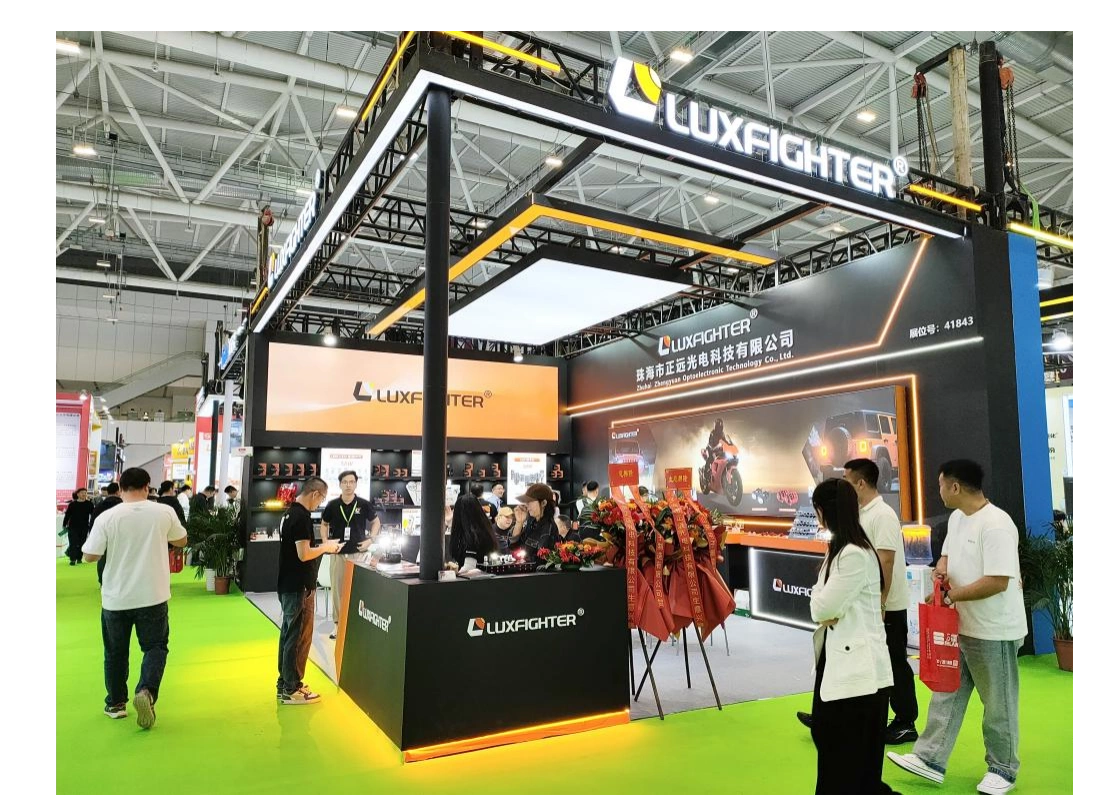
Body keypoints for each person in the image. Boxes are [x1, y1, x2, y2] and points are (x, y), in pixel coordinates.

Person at [888, 460, 1027, 796]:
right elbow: (947, 556)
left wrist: (953, 596)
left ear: (955, 487)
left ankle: (1003, 769)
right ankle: (930, 758)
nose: (938, 491)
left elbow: (997, 581)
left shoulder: (996, 525)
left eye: (940, 485)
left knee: (998, 704)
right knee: (946, 692)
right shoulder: (957, 518)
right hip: (961, 626)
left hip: (994, 630)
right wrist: (941, 571)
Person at [798, 459, 917, 744]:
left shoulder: (882, 515)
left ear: (861, 483)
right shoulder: (859, 516)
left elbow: (886, 561)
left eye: (848, 482)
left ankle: (905, 719)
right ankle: (831, 711)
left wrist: (880, 602)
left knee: (893, 662)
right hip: (862, 602)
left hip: (887, 605)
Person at [808, 478, 896, 800]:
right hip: (840, 664)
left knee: (847, 757)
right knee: (837, 748)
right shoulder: (842, 550)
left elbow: (821, 608)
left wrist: (824, 605)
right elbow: (821, 605)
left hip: (859, 673)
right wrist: (824, 604)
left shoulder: (854, 555)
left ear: (825, 511)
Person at [81, 468, 188, 729]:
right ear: (147, 486)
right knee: (155, 647)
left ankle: (116, 704)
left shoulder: (108, 517)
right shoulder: (163, 512)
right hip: (153, 594)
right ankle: (146, 691)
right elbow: (182, 540)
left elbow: (89, 556)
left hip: (116, 597)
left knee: (115, 652)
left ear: (120, 487)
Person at [276, 477, 341, 704]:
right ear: (315, 494)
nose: (320, 503)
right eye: (321, 499)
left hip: (288, 583)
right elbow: (303, 554)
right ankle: (292, 688)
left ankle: (285, 683)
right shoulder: (301, 517)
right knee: (298, 637)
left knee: (288, 635)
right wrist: (326, 547)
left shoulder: (289, 514)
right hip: (299, 586)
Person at [319, 470, 379, 639]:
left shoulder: (364, 504)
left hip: (359, 554)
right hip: (338, 554)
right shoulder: (332, 505)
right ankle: (338, 625)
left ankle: (358, 624)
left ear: (356, 484)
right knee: (337, 592)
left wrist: (371, 540)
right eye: (345, 482)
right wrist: (325, 541)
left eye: (351, 482)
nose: (348, 485)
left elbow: (376, 522)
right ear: (340, 484)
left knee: (360, 590)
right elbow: (324, 524)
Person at [449, 494, 500, 574]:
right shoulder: (484, 530)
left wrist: (453, 573)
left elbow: (469, 567)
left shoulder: (472, 537)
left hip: (473, 579)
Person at [510, 483, 559, 558]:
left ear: (543, 503)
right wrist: (519, 523)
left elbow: (541, 559)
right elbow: (513, 546)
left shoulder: (548, 528)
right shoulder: (532, 522)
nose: (527, 505)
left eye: (530, 501)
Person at [91, 482, 124, 585]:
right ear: (119, 492)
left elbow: (93, 521)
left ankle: (102, 581)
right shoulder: (123, 505)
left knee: (102, 559)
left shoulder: (100, 505)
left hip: (103, 536)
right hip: (121, 537)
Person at [63, 489, 95, 566]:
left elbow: (93, 515)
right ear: (77, 494)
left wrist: (93, 525)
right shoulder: (72, 504)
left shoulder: (89, 504)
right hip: (72, 527)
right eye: (82, 493)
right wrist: (64, 524)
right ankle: (72, 559)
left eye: (85, 493)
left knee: (82, 543)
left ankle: (79, 558)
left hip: (84, 527)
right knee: (73, 543)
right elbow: (67, 515)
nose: (84, 494)